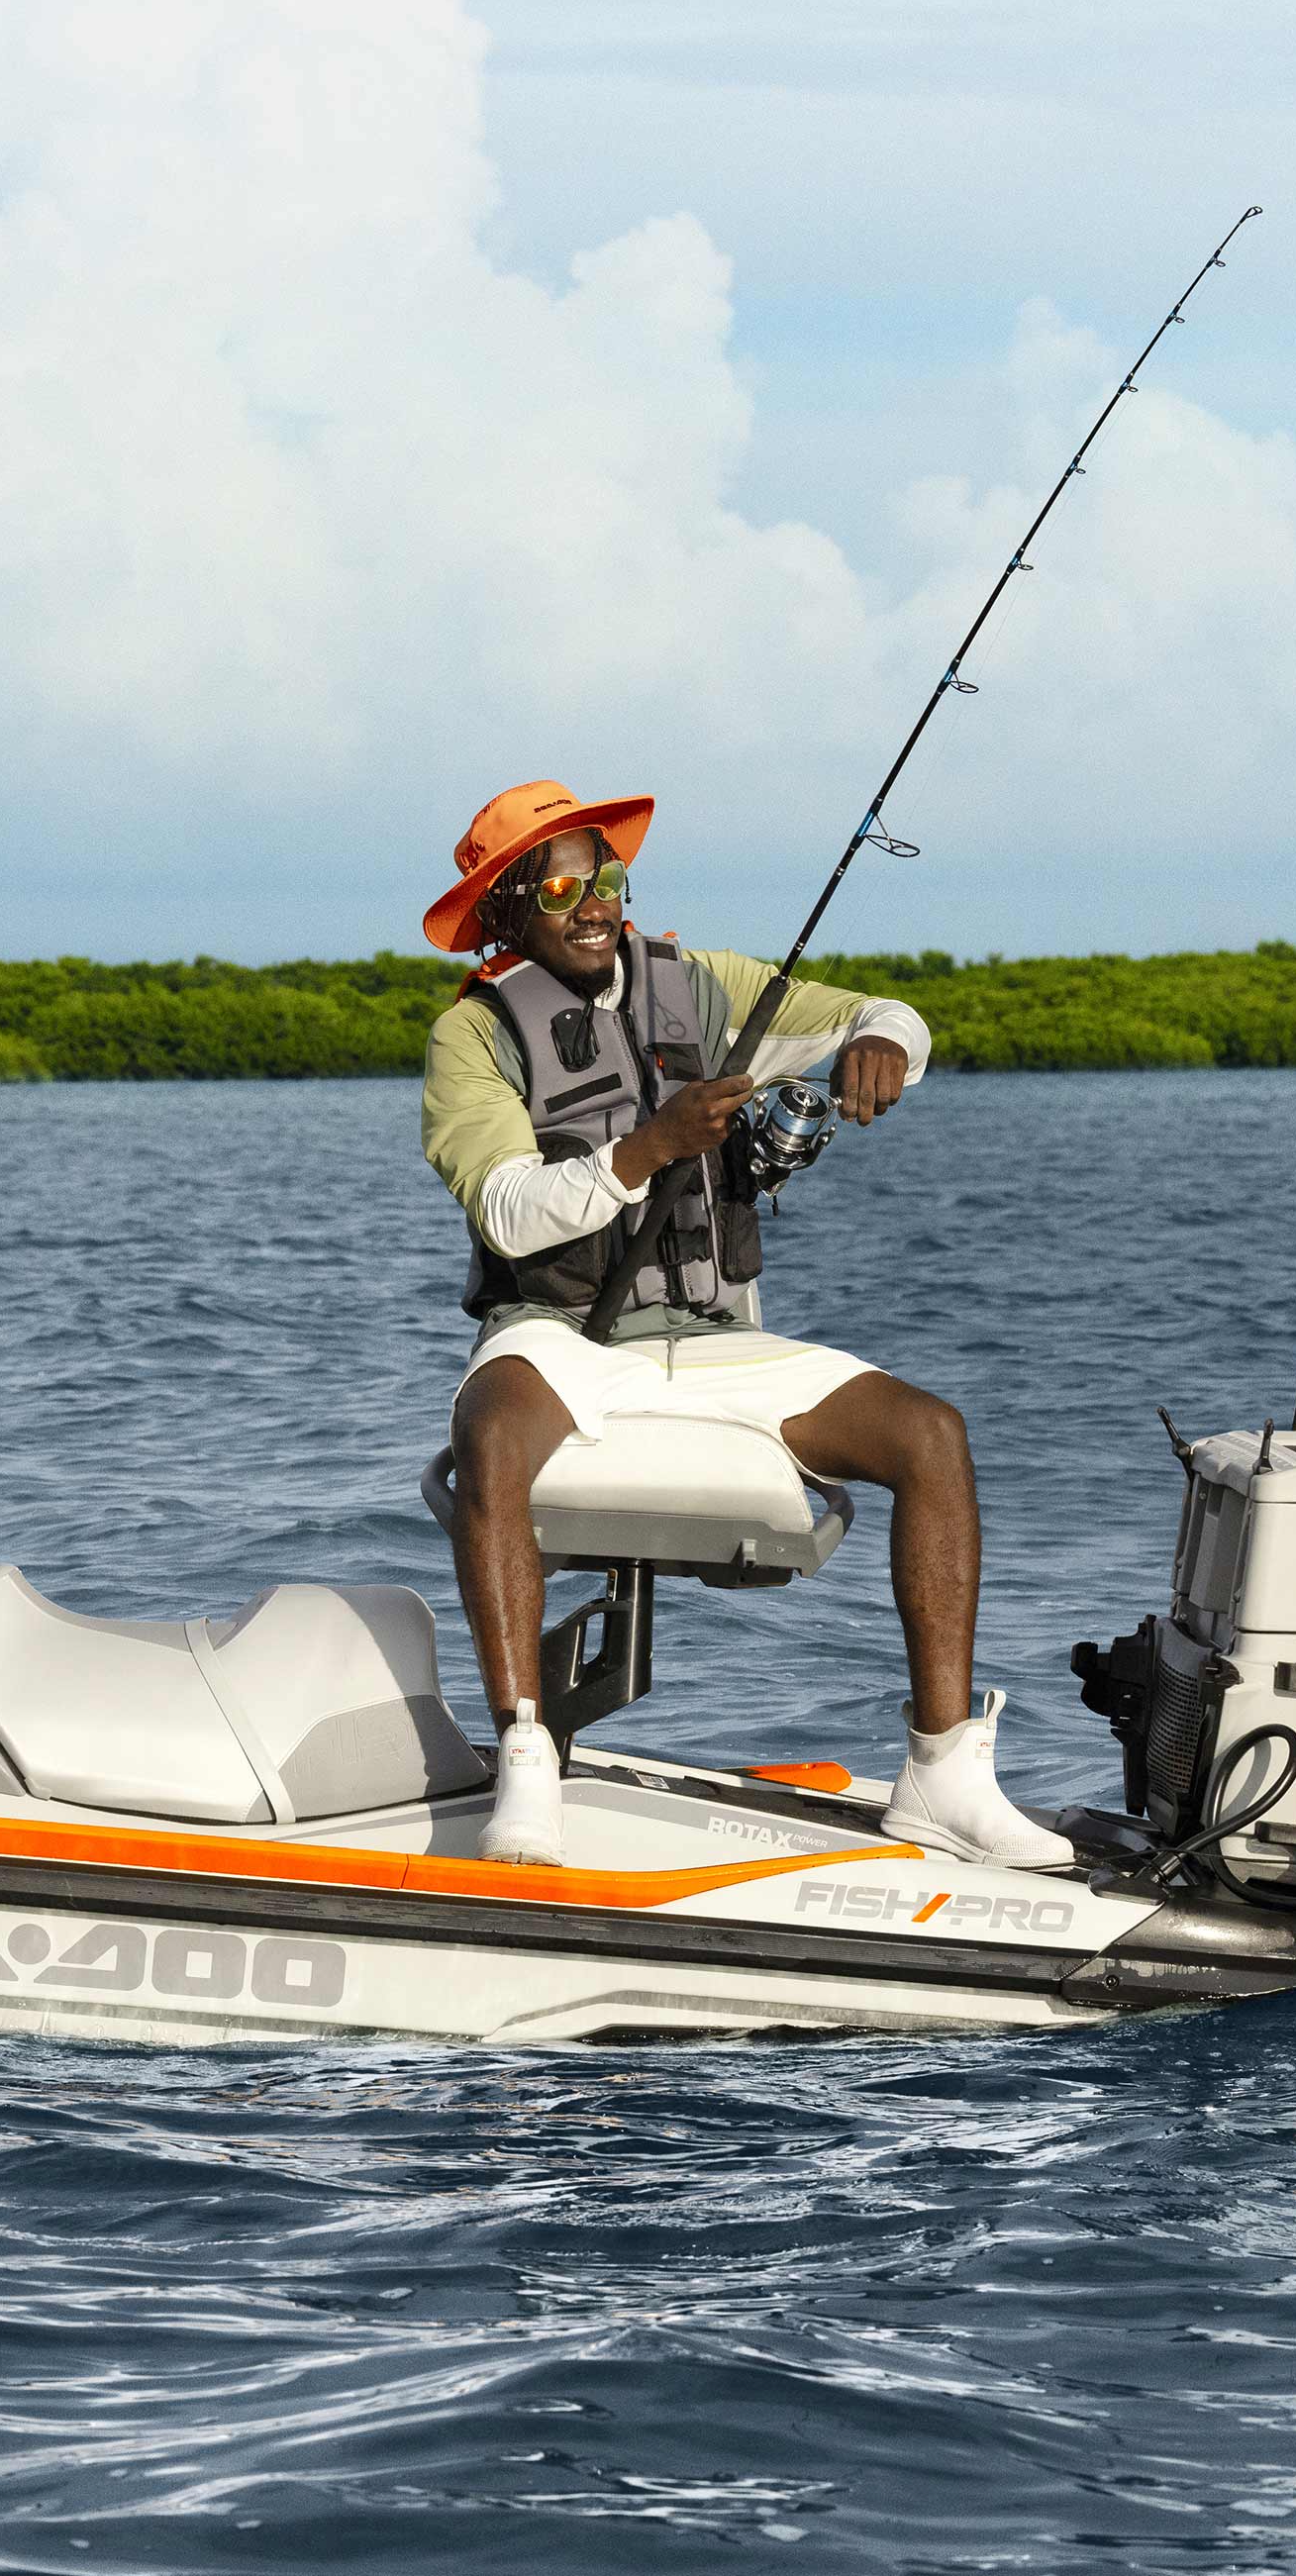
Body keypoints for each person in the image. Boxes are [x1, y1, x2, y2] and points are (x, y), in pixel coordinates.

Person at [416, 778, 1072, 1871]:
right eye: (562, 885)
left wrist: (885, 1049)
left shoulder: (702, 986)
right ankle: (527, 1758)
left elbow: (883, 1012)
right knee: (489, 1430)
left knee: (930, 1434)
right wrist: (646, 1147)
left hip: (719, 1339)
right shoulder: (471, 1036)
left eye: (606, 877)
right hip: (564, 1333)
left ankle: (943, 1771)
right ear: (504, 910)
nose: (593, 904)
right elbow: (508, 1209)